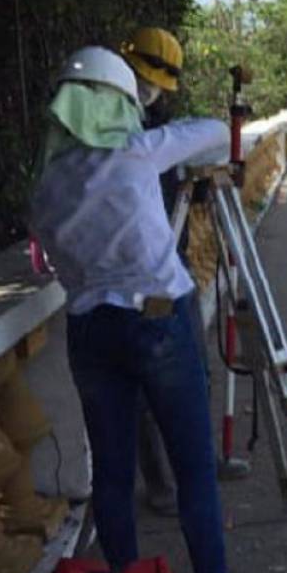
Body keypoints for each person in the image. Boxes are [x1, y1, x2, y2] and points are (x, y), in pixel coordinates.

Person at [30, 46, 280, 573]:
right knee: (193, 468)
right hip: (157, 323)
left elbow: (51, 260)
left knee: (113, 478)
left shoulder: (46, 185)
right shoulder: (138, 152)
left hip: (89, 333)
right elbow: (216, 133)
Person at [120, 26, 192, 517]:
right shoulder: (112, 133)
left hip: (175, 259)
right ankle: (163, 485)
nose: (152, 92)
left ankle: (194, 464)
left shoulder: (162, 125)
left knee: (191, 373)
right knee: (148, 387)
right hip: (137, 275)